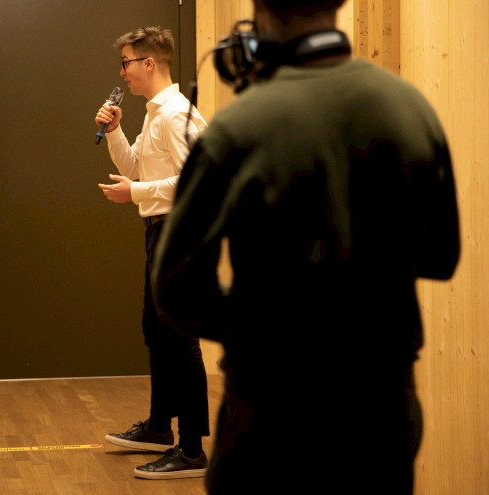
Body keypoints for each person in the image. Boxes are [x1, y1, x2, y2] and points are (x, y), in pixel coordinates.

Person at [152, 1, 461, 493]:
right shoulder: (409, 107)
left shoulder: (238, 128)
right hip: (384, 413)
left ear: (260, 13)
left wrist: (262, 326)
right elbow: (441, 256)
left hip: (269, 417)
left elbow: (176, 287)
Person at [93, 26, 211, 480]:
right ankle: (160, 428)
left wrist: (137, 192)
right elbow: (134, 166)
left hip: (180, 232)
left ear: (148, 63)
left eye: (126, 62)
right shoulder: (154, 114)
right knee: (157, 331)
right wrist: (115, 131)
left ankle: (192, 449)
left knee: (179, 338)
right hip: (160, 231)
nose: (121, 72)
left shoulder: (175, 114)